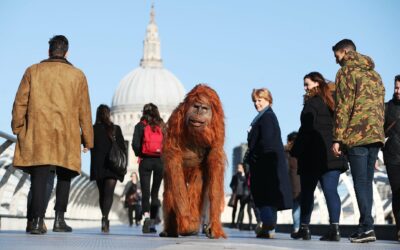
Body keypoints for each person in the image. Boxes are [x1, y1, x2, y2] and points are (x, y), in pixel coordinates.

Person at [11, 35, 93, 234]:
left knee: (39, 176)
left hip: (39, 133)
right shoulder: (78, 75)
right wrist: (88, 140)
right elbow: (85, 110)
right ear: (67, 52)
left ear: (49, 51)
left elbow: (20, 102)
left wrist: (17, 127)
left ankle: (37, 221)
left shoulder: (33, 71)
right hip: (67, 134)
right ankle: (59, 220)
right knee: (65, 175)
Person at [331, 39, 385, 243]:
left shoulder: (346, 72)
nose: (336, 60)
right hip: (375, 135)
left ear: (345, 52)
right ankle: (365, 226)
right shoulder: (374, 73)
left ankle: (367, 227)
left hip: (357, 135)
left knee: (361, 182)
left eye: (337, 55)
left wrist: (337, 138)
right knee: (367, 182)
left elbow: (343, 107)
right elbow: (380, 105)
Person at [290, 72, 348, 241]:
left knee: (307, 193)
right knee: (331, 191)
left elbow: (306, 130)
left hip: (312, 155)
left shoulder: (311, 103)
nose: (304, 88)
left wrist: (295, 150)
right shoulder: (333, 102)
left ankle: (304, 228)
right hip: (332, 153)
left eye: (306, 84)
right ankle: (335, 229)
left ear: (316, 84)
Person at [246, 88, 292, 238]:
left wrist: (254, 155)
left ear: (268, 100)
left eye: (260, 100)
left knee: (263, 195)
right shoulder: (265, 116)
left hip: (264, 164)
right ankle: (269, 228)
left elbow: (267, 141)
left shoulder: (266, 117)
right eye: (255, 101)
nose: (256, 104)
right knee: (270, 197)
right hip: (267, 163)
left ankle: (268, 223)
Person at [90, 104, 126, 233]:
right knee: (109, 194)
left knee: (102, 194)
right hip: (113, 166)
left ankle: (103, 217)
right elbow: (123, 148)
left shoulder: (92, 129)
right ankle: (105, 218)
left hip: (99, 166)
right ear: (109, 114)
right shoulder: (115, 129)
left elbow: (86, 142)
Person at [132, 103, 164, 234]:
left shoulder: (140, 126)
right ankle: (152, 222)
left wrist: (141, 153)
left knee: (145, 192)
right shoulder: (162, 126)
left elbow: (134, 145)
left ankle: (146, 218)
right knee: (155, 193)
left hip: (145, 161)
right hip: (160, 162)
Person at [383, 74, 400, 242]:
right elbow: (378, 133)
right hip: (392, 158)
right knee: (397, 192)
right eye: (396, 87)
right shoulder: (387, 108)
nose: (397, 91)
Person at [284, 131, 301, 238]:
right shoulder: (302, 150)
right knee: (303, 205)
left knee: (296, 206)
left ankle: (297, 228)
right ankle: (302, 226)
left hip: (292, 183)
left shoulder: (285, 153)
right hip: (303, 182)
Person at [229, 163, 251, 229]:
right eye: (238, 167)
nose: (238, 168)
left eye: (240, 167)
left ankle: (240, 223)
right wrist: (234, 189)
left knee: (242, 209)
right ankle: (233, 222)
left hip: (243, 195)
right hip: (236, 194)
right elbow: (231, 184)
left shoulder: (246, 176)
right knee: (234, 209)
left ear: (243, 168)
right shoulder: (235, 176)